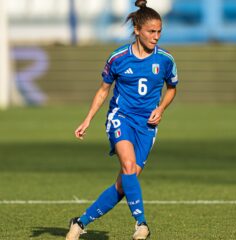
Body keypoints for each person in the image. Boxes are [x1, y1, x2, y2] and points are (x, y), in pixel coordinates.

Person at [66, 1, 178, 239]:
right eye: (151, 31)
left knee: (124, 184)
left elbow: (172, 88)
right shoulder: (118, 58)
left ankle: (80, 222)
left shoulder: (165, 60)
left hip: (147, 125)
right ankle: (142, 224)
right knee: (128, 166)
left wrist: (162, 108)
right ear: (137, 29)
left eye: (159, 32)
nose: (156, 37)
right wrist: (87, 120)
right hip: (121, 117)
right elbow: (103, 91)